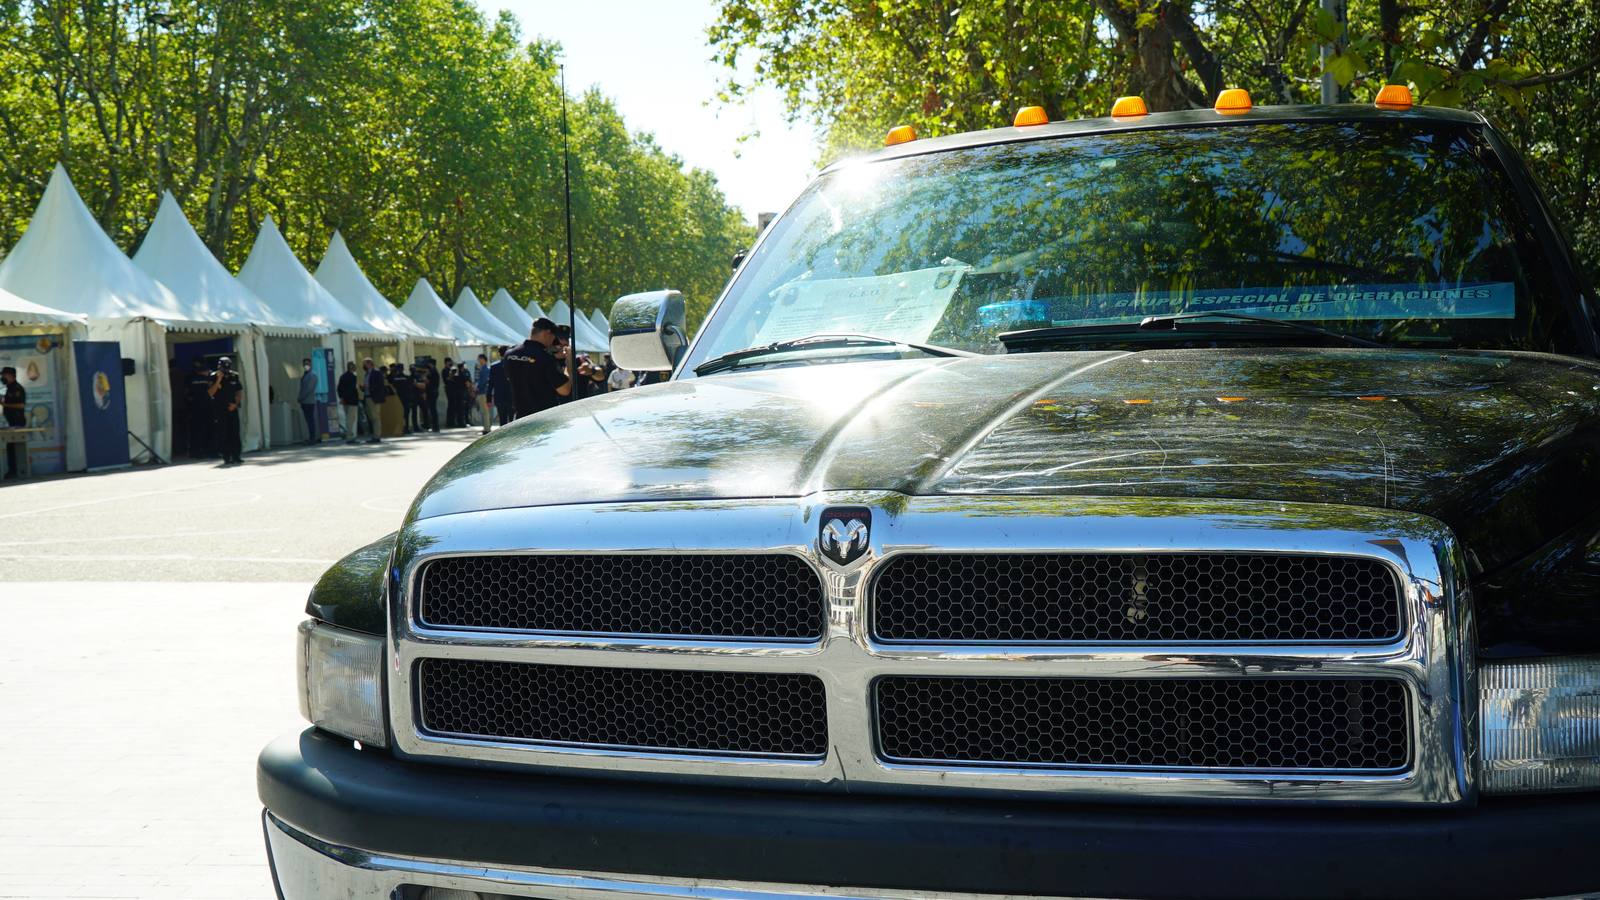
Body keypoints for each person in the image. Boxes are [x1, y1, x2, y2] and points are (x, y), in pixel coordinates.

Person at [504, 318, 571, 419]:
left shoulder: (510, 354)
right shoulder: (545, 357)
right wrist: (569, 362)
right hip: (543, 418)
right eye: (553, 337)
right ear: (546, 333)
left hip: (520, 417)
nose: (554, 341)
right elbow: (565, 390)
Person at [208, 356, 244, 466]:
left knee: (235, 432)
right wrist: (218, 379)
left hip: (232, 408)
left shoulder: (234, 376)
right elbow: (210, 393)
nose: (226, 370)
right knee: (223, 433)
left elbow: (238, 392)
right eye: (224, 367)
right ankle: (226, 456)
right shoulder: (213, 376)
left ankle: (236, 455)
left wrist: (235, 404)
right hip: (220, 409)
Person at [186, 358, 215, 458]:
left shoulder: (210, 377)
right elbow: (186, 392)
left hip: (207, 406)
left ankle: (209, 451)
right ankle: (196, 452)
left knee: (209, 430)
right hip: (195, 407)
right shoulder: (190, 377)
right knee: (196, 431)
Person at [1, 366, 25, 479]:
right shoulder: (8, 388)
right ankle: (13, 470)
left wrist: (4, 405)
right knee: (11, 447)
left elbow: (21, 405)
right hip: (11, 422)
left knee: (15, 447)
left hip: (17, 421)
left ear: (11, 376)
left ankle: (17, 470)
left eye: (4, 375)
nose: (2, 377)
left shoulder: (17, 388)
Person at [361, 358, 385, 444]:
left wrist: (369, 387)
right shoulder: (366, 374)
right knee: (371, 417)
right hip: (367, 396)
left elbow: (380, 385)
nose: (363, 366)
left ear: (370, 364)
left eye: (365, 364)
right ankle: (374, 434)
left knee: (375, 417)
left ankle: (377, 436)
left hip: (374, 398)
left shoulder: (376, 373)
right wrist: (363, 387)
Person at [297, 357, 320, 445]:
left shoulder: (312, 375)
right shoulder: (305, 374)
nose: (306, 365)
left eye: (307, 364)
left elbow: (309, 389)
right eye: (304, 364)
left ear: (310, 364)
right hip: (305, 401)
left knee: (310, 420)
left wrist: (301, 397)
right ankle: (311, 437)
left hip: (309, 401)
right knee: (308, 420)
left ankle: (313, 438)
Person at [336, 361, 360, 444]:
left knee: (348, 418)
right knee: (351, 419)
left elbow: (339, 388)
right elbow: (353, 389)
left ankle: (349, 435)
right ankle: (349, 437)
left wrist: (342, 398)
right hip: (352, 400)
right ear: (352, 367)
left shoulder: (342, 376)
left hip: (345, 401)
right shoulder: (353, 377)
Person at [489, 349, 514, 426]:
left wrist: (488, 398)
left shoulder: (494, 366)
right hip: (512, 396)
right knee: (512, 420)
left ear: (499, 354)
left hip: (499, 396)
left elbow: (491, 383)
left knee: (502, 421)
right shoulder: (513, 365)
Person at [391, 363, 416, 434]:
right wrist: (412, 372)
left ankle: (399, 428)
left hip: (397, 398)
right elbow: (411, 382)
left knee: (398, 414)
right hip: (406, 398)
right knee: (406, 414)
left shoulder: (394, 378)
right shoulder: (406, 378)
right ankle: (406, 428)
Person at [473, 353, 493, 434]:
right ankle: (487, 427)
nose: (478, 361)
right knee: (487, 411)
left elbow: (482, 381)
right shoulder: (486, 368)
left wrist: (476, 388)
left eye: (479, 359)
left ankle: (487, 428)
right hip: (486, 392)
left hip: (483, 392)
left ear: (482, 359)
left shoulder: (484, 369)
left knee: (485, 411)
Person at [420, 360, 440, 432]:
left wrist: (424, 377)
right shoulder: (435, 371)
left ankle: (435, 426)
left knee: (432, 409)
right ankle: (435, 426)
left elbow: (427, 381)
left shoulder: (432, 372)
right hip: (434, 391)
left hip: (431, 392)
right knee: (433, 409)